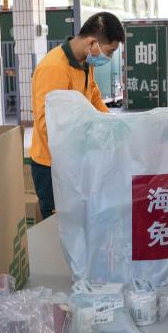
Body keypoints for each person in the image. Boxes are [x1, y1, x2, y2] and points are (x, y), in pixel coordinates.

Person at [29, 12, 125, 219]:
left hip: (74, 159)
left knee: (78, 223)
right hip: (51, 166)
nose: (108, 58)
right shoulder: (54, 68)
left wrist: (113, 126)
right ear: (92, 43)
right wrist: (89, 135)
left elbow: (95, 98)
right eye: (109, 52)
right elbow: (47, 125)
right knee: (59, 229)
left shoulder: (84, 63)